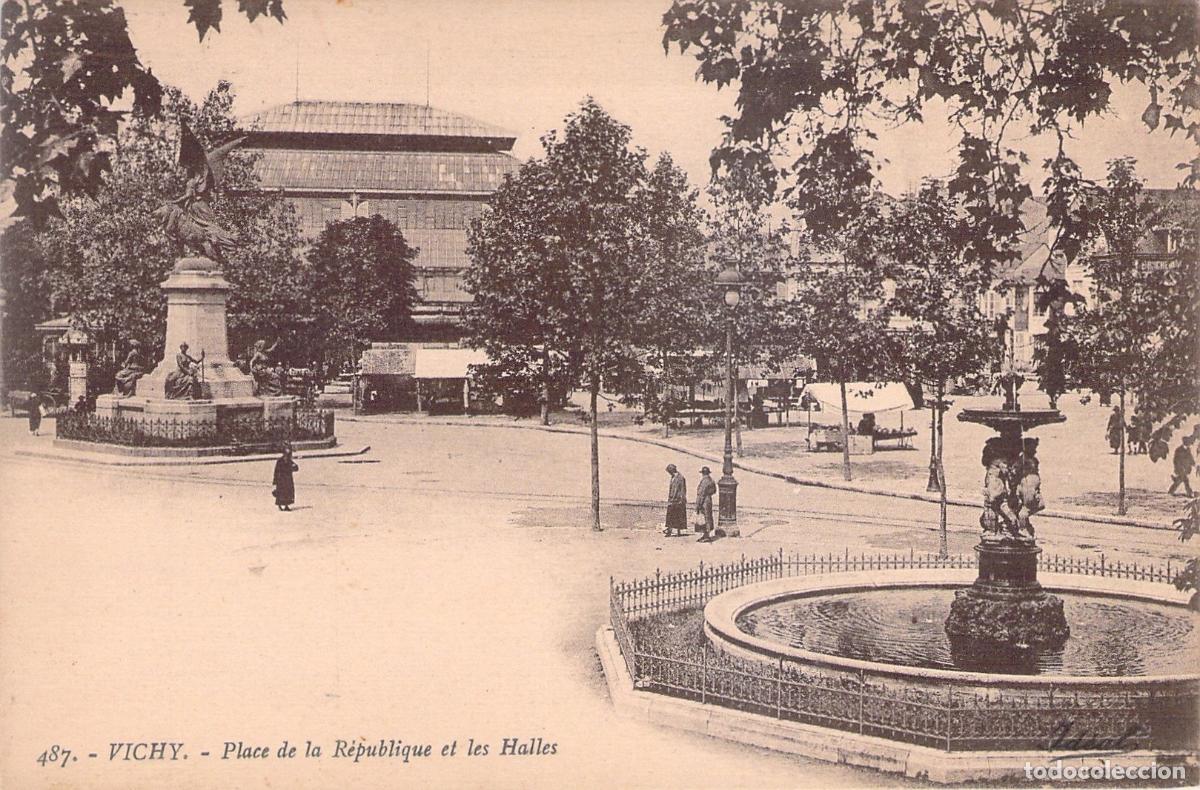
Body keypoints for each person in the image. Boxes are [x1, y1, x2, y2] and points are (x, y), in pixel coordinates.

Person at [663, 464, 687, 537]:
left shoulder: (680, 478)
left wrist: (682, 499)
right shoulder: (673, 477)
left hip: (678, 500)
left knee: (678, 515)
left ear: (672, 470)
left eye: (669, 471)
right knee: (670, 515)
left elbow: (683, 489)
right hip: (672, 499)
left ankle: (678, 531)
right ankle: (669, 530)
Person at [273, 446, 299, 511]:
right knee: (281, 492)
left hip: (288, 479)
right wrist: (275, 480)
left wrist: (294, 467)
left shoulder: (289, 461)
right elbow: (276, 470)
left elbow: (296, 468)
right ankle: (280, 505)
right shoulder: (280, 461)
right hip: (281, 479)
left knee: (288, 492)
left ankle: (286, 505)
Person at [696, 466, 717, 542]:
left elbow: (701, 494)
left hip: (704, 500)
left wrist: (698, 505)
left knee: (705, 517)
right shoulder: (711, 480)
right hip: (709, 499)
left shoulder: (705, 481)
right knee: (708, 516)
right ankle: (705, 535)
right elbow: (714, 490)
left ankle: (706, 536)